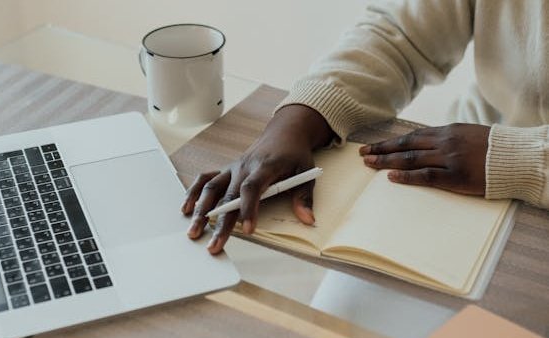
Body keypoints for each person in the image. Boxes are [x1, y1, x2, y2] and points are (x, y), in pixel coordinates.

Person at [182, 0, 549, 254]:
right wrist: (298, 117)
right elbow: (401, 36)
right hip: (464, 154)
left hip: (504, 179)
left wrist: (523, 158)